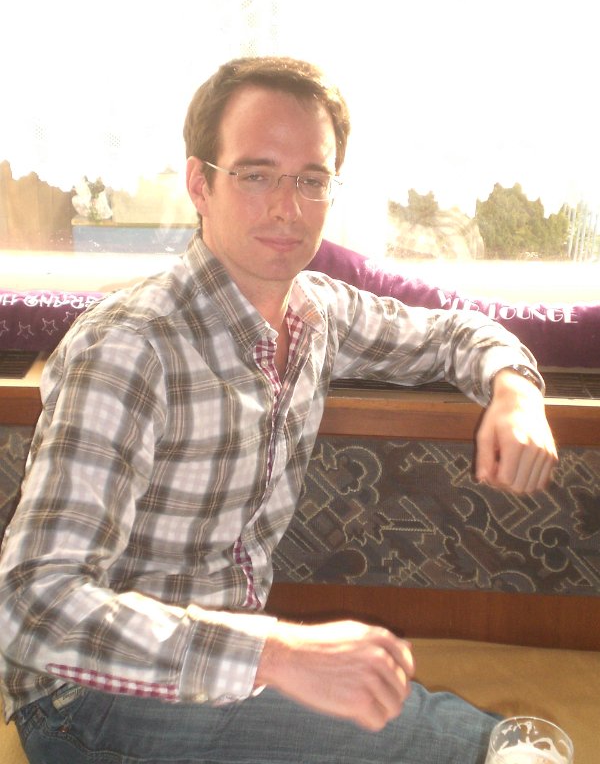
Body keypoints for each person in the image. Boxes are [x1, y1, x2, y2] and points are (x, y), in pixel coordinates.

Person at [0, 56, 557, 764]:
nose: (287, 207)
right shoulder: (131, 348)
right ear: (200, 184)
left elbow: (454, 334)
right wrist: (278, 653)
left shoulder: (317, 313)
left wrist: (515, 389)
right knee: (475, 745)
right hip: (87, 700)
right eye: (256, 175)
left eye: (311, 180)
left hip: (226, 673)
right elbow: (31, 606)